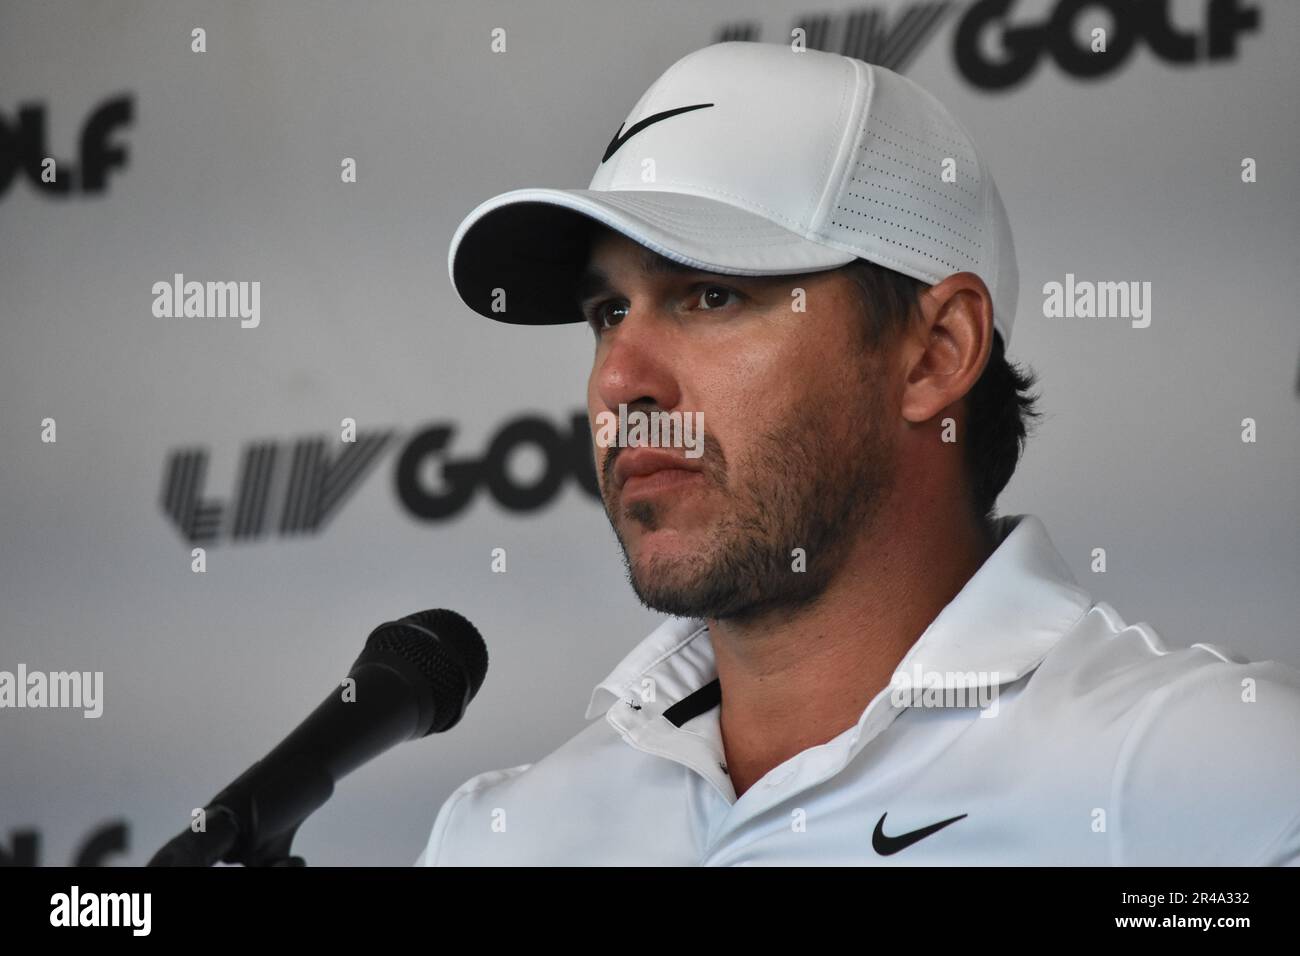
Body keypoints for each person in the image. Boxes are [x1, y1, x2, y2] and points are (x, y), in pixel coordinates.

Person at [416, 40, 1300, 865]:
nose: (620, 382)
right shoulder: (504, 837)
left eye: (711, 295)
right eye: (609, 314)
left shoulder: (1214, 787)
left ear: (937, 350)